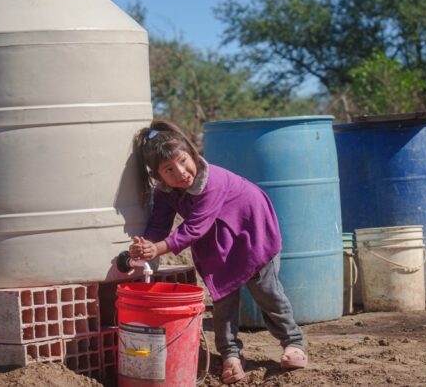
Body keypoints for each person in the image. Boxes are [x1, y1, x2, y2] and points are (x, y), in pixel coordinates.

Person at [128, 120, 307, 384]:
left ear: (192, 153)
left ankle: (293, 343)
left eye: (183, 161)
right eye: (169, 170)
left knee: (266, 291)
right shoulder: (165, 192)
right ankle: (231, 355)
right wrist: (145, 246)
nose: (181, 172)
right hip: (216, 239)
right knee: (222, 298)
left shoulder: (211, 181)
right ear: (158, 176)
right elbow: (159, 224)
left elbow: (193, 228)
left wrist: (158, 248)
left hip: (251, 232)